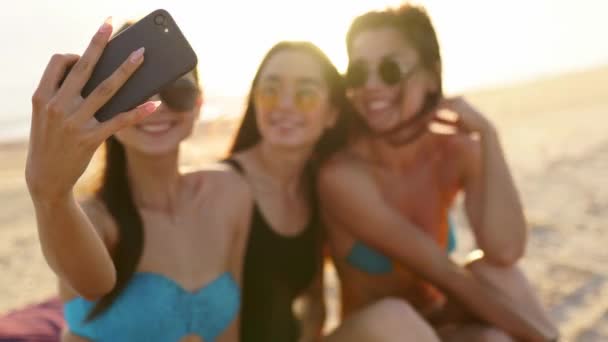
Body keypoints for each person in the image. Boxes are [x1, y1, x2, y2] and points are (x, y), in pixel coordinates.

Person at [318, 4, 560, 341]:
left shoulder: (454, 151)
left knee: (494, 289)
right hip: (376, 333)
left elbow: (504, 251)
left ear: (431, 77)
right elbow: (446, 275)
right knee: (395, 316)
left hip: (433, 325)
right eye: (358, 73)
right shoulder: (341, 176)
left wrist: (488, 138)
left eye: (390, 69)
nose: (371, 85)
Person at [24, 19, 248, 341]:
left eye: (177, 90)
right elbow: (92, 283)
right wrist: (49, 193)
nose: (154, 108)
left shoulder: (230, 193)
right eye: (135, 93)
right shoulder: (92, 218)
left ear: (198, 104)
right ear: (103, 106)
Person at [225, 40, 440, 342]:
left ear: (332, 115)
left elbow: (314, 305)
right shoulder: (222, 185)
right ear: (254, 99)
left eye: (306, 94)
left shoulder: (316, 185)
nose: (285, 105)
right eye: (270, 90)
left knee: (395, 318)